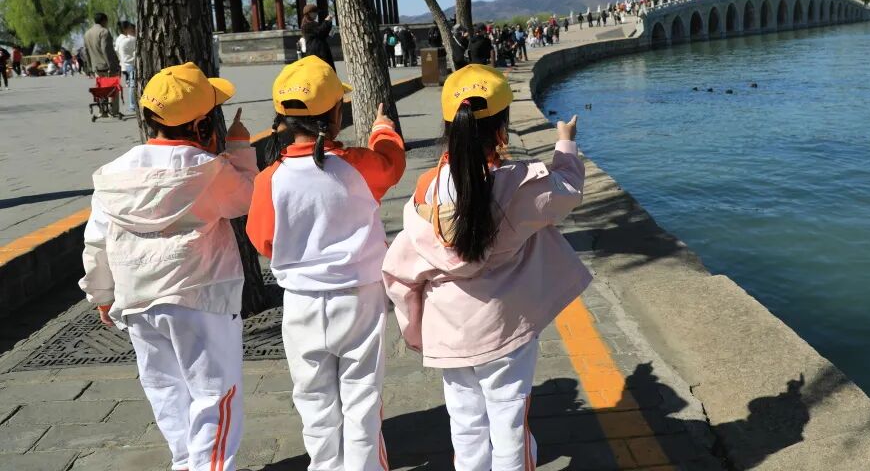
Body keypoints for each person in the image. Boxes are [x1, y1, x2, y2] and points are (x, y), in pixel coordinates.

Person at [383, 65, 590, 471]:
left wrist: (415, 330)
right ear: (501, 131)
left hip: (449, 332)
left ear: (449, 127)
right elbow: (568, 189)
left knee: (465, 424)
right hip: (504, 327)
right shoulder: (520, 185)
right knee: (509, 422)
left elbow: (401, 274)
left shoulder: (426, 192)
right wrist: (565, 143)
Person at [79, 62, 256, 471]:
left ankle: (185, 462)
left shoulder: (113, 174)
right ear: (199, 125)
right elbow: (246, 198)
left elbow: (97, 239)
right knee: (214, 393)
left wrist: (102, 294)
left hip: (136, 298)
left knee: (164, 388)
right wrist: (240, 148)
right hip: (200, 295)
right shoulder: (209, 169)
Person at [247, 56, 406, 471]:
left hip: (301, 302)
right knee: (362, 396)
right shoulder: (357, 164)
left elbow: (263, 240)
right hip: (359, 297)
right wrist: (382, 128)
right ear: (336, 115)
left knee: (314, 400)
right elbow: (392, 165)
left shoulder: (269, 178)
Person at [85, 12, 121, 115]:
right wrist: (113, 65)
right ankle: (113, 111)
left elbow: (86, 51)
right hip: (107, 66)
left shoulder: (87, 33)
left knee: (101, 89)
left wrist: (89, 67)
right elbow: (106, 50)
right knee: (113, 88)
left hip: (96, 66)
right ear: (104, 20)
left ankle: (103, 110)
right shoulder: (104, 32)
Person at [301, 4, 336, 71]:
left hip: (321, 50)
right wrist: (326, 21)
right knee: (320, 71)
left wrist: (329, 23)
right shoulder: (306, 25)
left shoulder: (314, 23)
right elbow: (320, 32)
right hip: (315, 53)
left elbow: (323, 34)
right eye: (314, 12)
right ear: (309, 13)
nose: (316, 14)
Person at [115, 22, 137, 112]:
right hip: (131, 63)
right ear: (126, 29)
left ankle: (133, 104)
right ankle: (132, 105)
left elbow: (116, 50)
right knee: (133, 85)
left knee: (131, 84)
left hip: (124, 64)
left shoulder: (119, 39)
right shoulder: (130, 39)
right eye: (131, 28)